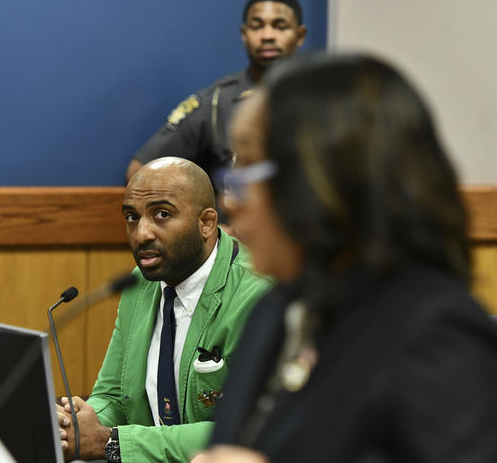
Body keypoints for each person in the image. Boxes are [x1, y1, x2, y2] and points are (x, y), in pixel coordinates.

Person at [195, 53, 497, 462]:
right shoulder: (277, 307)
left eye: (248, 167)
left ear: (323, 179)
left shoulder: (435, 333)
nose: (230, 198)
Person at [56, 157, 272, 462]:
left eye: (162, 214)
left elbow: (243, 431)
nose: (142, 233)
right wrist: (74, 424)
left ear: (206, 223)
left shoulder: (259, 294)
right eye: (132, 217)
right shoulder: (140, 283)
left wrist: (113, 442)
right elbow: (114, 395)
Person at [125, 0, 307, 183]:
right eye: (257, 26)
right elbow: (140, 172)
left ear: (300, 35)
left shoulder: (325, 97)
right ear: (244, 34)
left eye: (280, 26)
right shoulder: (216, 102)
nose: (267, 36)